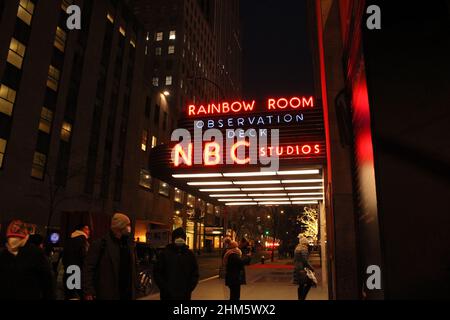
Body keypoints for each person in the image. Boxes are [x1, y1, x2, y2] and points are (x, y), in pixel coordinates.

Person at [83, 213, 137, 300]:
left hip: (127, 294)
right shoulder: (101, 244)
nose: (129, 228)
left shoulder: (128, 245)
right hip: (108, 293)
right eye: (127, 225)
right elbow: (88, 269)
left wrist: (136, 288)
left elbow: (134, 269)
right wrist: (89, 291)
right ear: (120, 226)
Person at [0, 220, 56, 300]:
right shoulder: (4, 254)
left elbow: (46, 281)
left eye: (17, 237)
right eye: (11, 237)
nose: (13, 240)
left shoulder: (35, 254)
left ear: (25, 237)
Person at [154, 228, 199, 300]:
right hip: (167, 296)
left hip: (184, 295)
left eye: (182, 238)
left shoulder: (190, 255)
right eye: (178, 237)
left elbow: (194, 273)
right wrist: (165, 288)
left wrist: (188, 289)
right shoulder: (164, 254)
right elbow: (157, 273)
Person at [62, 224, 90, 300]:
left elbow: (64, 259)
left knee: (71, 296)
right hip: (78, 274)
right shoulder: (83, 240)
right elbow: (85, 258)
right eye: (87, 229)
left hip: (68, 273)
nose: (89, 231)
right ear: (82, 229)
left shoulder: (69, 240)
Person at [293, 233, 315, 300]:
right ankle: (302, 298)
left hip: (297, 268)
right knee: (309, 282)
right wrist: (311, 268)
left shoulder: (297, 248)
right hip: (302, 269)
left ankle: (300, 298)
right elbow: (305, 261)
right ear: (305, 243)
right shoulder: (304, 249)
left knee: (301, 285)